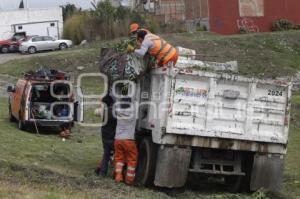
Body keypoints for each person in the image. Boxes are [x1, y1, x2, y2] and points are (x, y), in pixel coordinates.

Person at [114, 97, 138, 185]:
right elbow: (136, 103)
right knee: (132, 160)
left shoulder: (118, 111)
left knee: (119, 159)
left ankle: (118, 176)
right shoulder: (133, 112)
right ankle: (129, 180)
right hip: (129, 140)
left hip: (118, 139)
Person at [95, 94, 117, 176]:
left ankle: (102, 172)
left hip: (104, 136)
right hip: (112, 136)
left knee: (106, 154)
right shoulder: (113, 113)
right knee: (116, 155)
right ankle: (115, 173)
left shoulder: (104, 112)